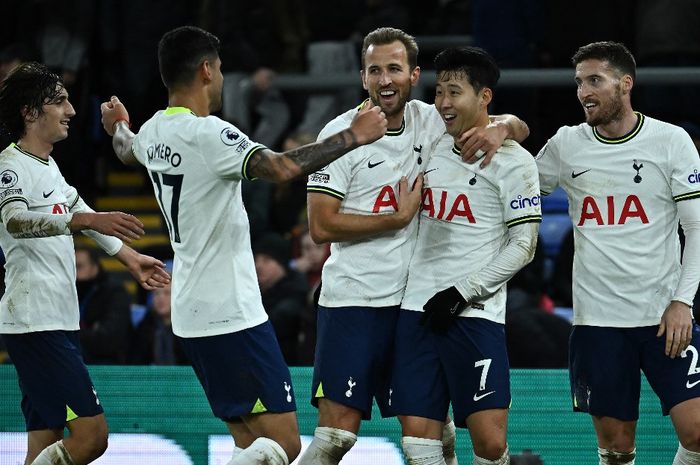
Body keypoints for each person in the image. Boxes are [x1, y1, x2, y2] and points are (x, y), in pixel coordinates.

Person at [100, 25, 387, 465]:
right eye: (219, 69)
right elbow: (280, 167)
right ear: (206, 70)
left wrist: (118, 124)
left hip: (191, 312)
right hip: (231, 311)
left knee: (251, 446)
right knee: (286, 443)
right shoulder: (210, 133)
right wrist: (354, 134)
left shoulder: (155, 130)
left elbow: (126, 148)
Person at [303, 27, 530, 465]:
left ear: (413, 75)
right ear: (362, 77)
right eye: (374, 70)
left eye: (394, 68)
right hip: (354, 299)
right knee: (336, 436)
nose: (384, 79)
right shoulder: (340, 133)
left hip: (414, 305)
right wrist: (397, 218)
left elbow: (505, 121)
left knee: (431, 426)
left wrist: (503, 127)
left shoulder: (432, 120)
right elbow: (320, 226)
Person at [535, 41, 700, 465]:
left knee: (698, 430)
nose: (583, 92)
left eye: (595, 80)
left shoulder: (671, 140)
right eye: (578, 83)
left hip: (665, 316)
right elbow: (519, 190)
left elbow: (696, 228)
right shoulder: (566, 145)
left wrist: (683, 301)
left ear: (625, 83)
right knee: (616, 447)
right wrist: (507, 128)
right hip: (598, 323)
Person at [0, 62, 170, 465]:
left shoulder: (48, 165)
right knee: (92, 437)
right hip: (34, 322)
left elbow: (80, 207)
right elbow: (14, 220)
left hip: (55, 318)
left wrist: (129, 258)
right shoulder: (10, 167)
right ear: (29, 112)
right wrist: (84, 221)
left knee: (45, 440)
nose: (72, 111)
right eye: (59, 101)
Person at [389, 46, 541, 465]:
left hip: (475, 314)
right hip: (415, 309)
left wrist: (462, 292)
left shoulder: (515, 163)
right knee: (418, 443)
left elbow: (524, 247)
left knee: (490, 446)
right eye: (438, 92)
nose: (443, 103)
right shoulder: (430, 139)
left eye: (454, 92)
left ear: (484, 97)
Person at [254, 233, 309, 365]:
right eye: (256, 259)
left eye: (266, 260)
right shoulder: (252, 292)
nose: (258, 265)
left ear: (282, 264)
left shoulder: (297, 291)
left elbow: (279, 321)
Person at [75, 245, 132, 364]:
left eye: (79, 267)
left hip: (109, 366)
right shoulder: (69, 292)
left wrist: (74, 334)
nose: (74, 272)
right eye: (71, 267)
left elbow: (109, 339)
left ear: (95, 267)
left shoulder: (115, 292)